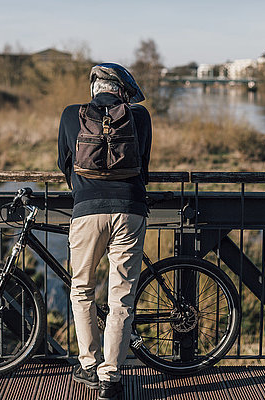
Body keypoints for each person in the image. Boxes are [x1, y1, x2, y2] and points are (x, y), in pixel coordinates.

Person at [57, 63, 151, 400]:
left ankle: (88, 364)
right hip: (129, 211)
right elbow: (144, 162)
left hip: (86, 213)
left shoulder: (72, 114)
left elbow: (64, 162)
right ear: (122, 91)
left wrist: (85, 191)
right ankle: (110, 378)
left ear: (95, 87)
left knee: (82, 289)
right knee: (121, 297)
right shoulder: (139, 117)